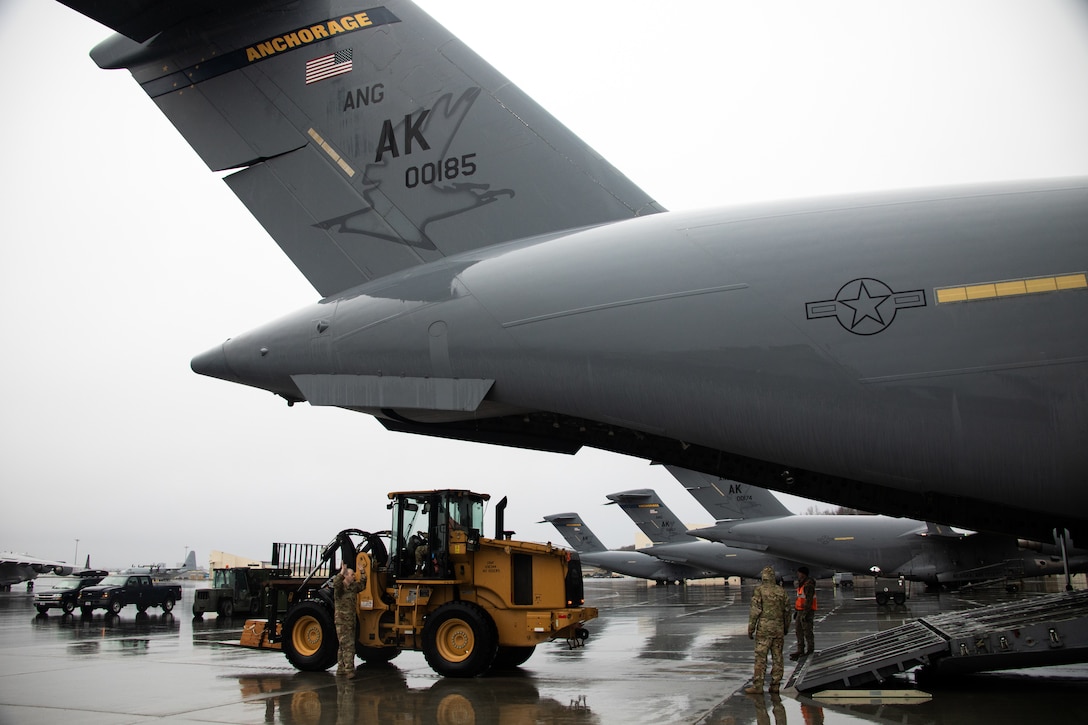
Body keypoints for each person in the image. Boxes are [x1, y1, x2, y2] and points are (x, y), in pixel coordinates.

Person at [745, 566, 791, 695]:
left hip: (764, 629)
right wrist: (786, 628)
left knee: (761, 657)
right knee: (778, 657)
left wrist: (751, 628)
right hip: (778, 629)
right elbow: (787, 612)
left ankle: (758, 686)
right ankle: (775, 685)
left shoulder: (759, 591)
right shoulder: (781, 591)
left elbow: (755, 611)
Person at [332, 563, 367, 677]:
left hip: (351, 621)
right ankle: (349, 670)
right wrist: (342, 572)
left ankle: (341, 669)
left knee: (343, 645)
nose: (354, 577)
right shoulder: (340, 589)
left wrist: (362, 571)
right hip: (342, 621)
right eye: (352, 575)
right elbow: (336, 583)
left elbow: (362, 585)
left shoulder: (353, 587)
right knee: (349, 645)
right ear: (346, 576)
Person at [791, 565, 817, 660]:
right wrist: (796, 611)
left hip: (806, 611)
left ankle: (810, 649)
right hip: (799, 611)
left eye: (799, 573)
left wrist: (805, 613)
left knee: (807, 631)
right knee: (799, 631)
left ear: (803, 574)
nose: (798, 574)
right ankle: (800, 649)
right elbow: (800, 599)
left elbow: (808, 600)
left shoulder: (808, 585)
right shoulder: (801, 583)